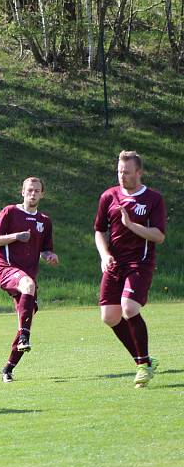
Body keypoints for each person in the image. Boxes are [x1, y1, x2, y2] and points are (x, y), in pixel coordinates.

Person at [94, 150, 166, 388]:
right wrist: (104, 255)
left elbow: (158, 236)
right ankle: (143, 360)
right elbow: (99, 231)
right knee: (109, 317)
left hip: (140, 263)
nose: (121, 176)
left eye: (126, 172)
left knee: (129, 307)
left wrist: (130, 225)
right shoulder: (109, 196)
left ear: (139, 172)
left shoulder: (153, 199)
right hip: (115, 264)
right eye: (119, 171)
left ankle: (143, 365)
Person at [0, 177, 59, 383]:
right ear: (22, 192)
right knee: (28, 286)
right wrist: (16, 236)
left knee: (27, 319)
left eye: (37, 191)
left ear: (42, 194)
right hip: (7, 270)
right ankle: (24, 337)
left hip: (27, 277)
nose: (33, 194)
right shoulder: (10, 212)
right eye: (29, 190)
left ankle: (8, 368)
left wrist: (49, 257)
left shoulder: (45, 221)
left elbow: (45, 249)